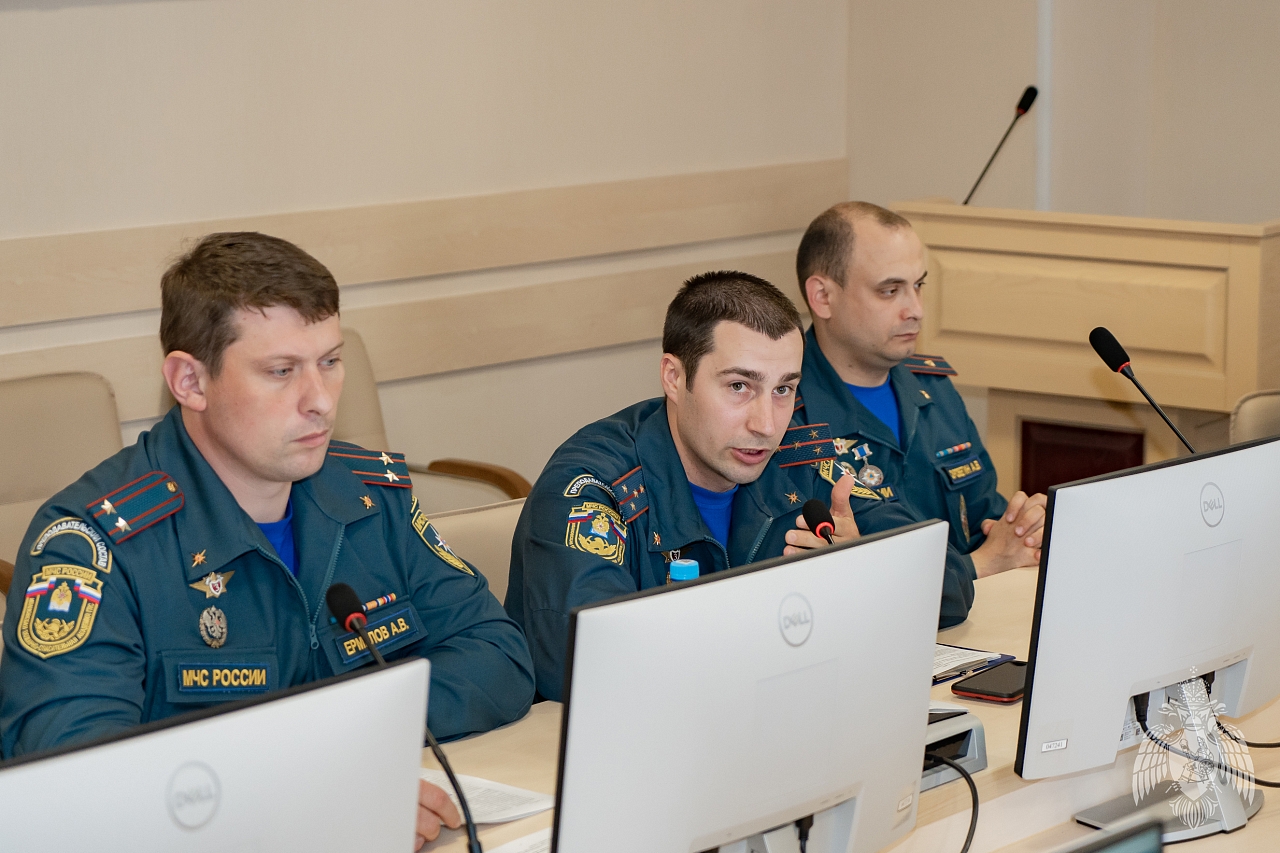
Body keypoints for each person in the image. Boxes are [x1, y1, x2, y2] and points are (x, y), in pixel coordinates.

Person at [0, 232, 534, 848]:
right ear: (190, 381)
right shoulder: (91, 544)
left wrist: (341, 748)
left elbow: (498, 656)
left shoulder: (371, 498)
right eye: (281, 372)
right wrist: (302, 784)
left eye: (330, 362)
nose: (321, 402)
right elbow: (73, 779)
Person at [505, 270, 975, 702]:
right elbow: (591, 664)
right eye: (738, 387)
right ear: (674, 377)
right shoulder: (591, 487)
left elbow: (951, 581)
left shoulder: (799, 457)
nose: (766, 424)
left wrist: (861, 570)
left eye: (784, 389)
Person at [792, 202, 1046, 578]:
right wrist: (983, 563)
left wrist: (1023, 529)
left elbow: (985, 516)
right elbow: (870, 569)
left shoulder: (934, 389)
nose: (916, 310)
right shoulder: (787, 415)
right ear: (823, 297)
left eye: (918, 286)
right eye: (890, 290)